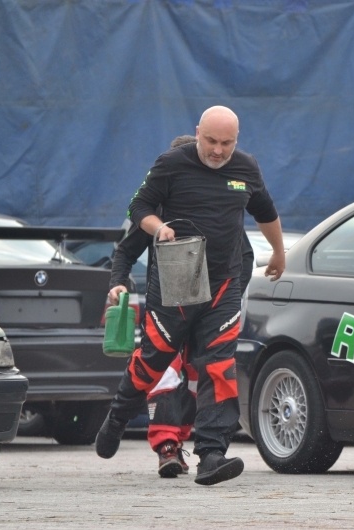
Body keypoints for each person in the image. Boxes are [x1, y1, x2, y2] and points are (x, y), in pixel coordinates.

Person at [96, 106, 285, 486]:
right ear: (198, 133)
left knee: (218, 365)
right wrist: (158, 227)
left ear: (238, 139)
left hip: (223, 288)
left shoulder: (246, 169)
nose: (218, 150)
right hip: (175, 287)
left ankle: (212, 453)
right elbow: (138, 210)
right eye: (211, 141)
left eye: (226, 144)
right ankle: (118, 415)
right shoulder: (170, 165)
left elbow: (265, 212)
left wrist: (279, 252)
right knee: (155, 364)